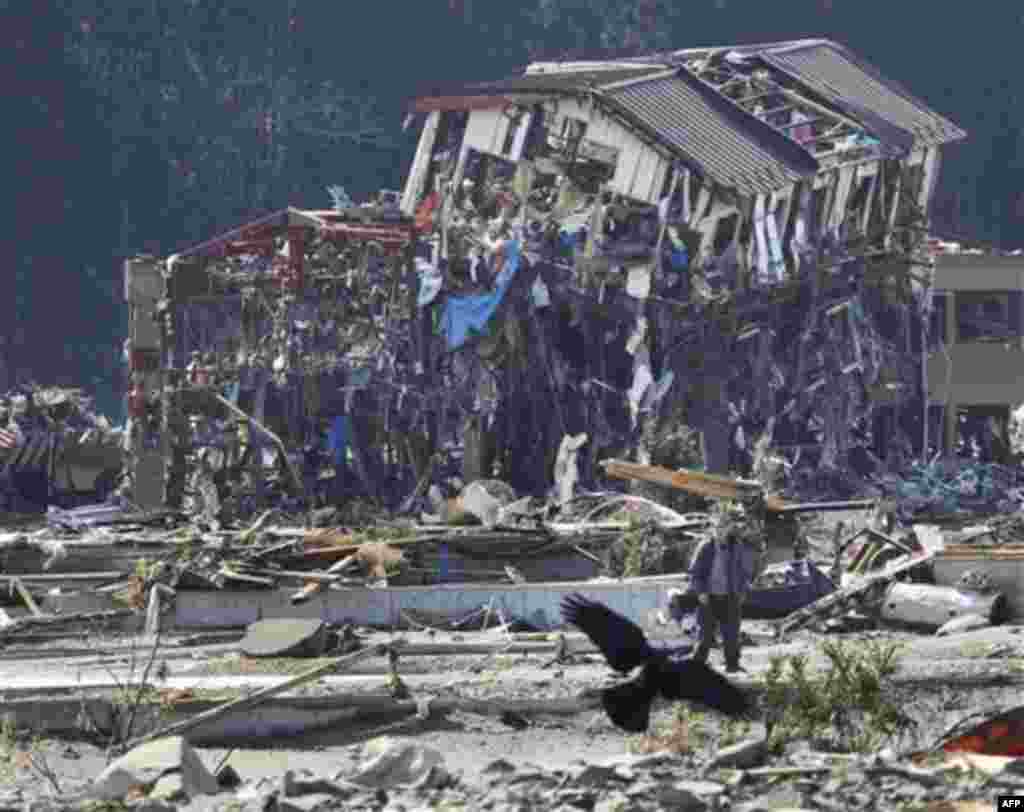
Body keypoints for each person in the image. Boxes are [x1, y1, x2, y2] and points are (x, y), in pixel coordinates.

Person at [688, 505, 762, 673]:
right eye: (718, 527)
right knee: (705, 637)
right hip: (709, 598)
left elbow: (744, 572)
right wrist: (700, 592)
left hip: (730, 596)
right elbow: (694, 573)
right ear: (714, 529)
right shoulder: (705, 547)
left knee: (731, 636)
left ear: (729, 529)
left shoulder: (737, 547)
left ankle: (733, 666)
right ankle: (695, 668)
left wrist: (742, 591)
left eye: (724, 527)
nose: (720, 531)